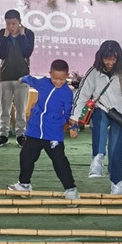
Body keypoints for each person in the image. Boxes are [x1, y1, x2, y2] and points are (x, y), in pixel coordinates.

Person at [70, 40, 122, 195]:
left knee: (116, 153)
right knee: (99, 120)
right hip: (102, 108)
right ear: (100, 57)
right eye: (106, 59)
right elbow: (82, 94)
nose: (110, 63)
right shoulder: (94, 72)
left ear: (119, 57)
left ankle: (116, 183)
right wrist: (74, 118)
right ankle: (97, 159)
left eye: (114, 59)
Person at [8, 59, 78, 199]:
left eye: (62, 79)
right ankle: (24, 185)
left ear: (67, 76)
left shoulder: (67, 93)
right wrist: (22, 79)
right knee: (26, 156)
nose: (58, 82)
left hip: (53, 133)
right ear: (50, 73)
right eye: (55, 78)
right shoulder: (43, 83)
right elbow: (31, 80)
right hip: (34, 131)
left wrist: (73, 126)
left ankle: (71, 189)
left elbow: (70, 112)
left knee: (59, 161)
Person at [0, 9, 35, 148]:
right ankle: (3, 135)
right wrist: (5, 37)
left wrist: (22, 36)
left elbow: (27, 52)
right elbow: (1, 54)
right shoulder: (2, 33)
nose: (11, 26)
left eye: (14, 23)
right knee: (4, 109)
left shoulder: (28, 33)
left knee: (21, 109)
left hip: (22, 77)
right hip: (5, 76)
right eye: (8, 24)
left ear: (19, 22)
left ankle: (20, 135)